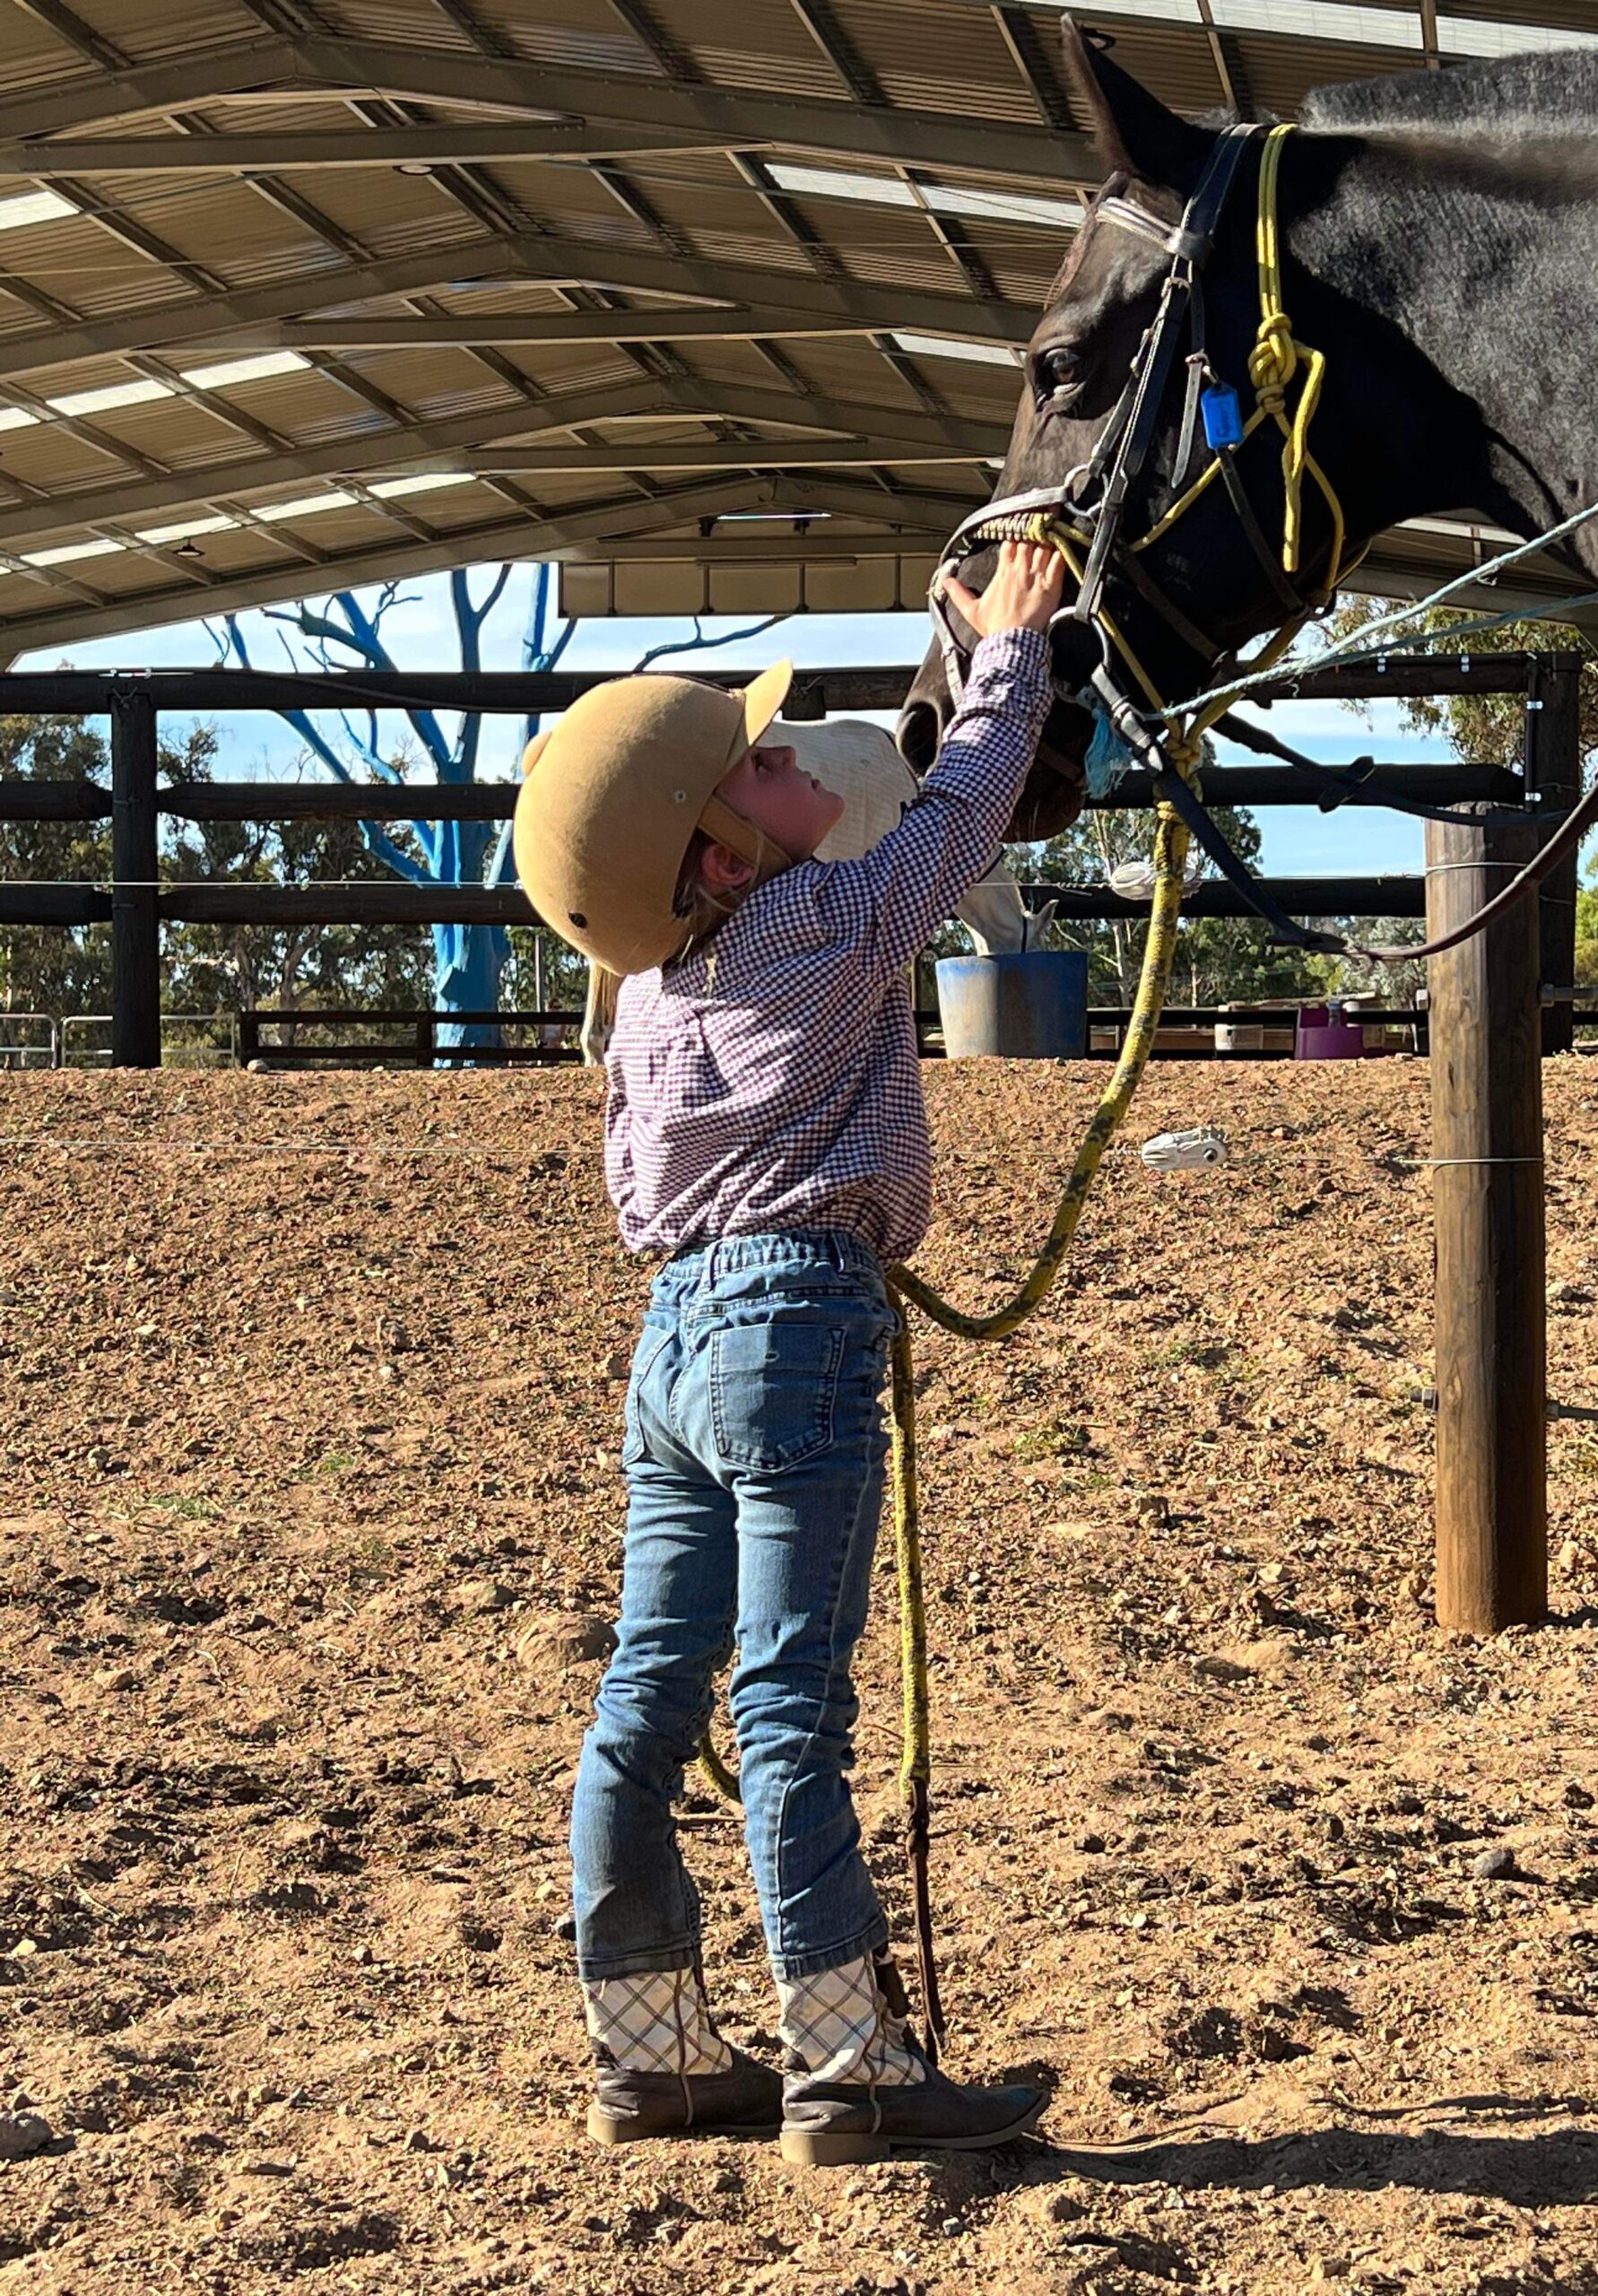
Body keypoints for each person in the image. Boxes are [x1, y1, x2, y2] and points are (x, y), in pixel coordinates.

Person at [514, 543, 1063, 2167]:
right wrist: (1016, 652)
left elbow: (634, 1184)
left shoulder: (648, 1002)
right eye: (755, 764)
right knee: (789, 1711)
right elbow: (959, 818)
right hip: (797, 1319)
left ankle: (653, 2049)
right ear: (722, 853)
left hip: (676, 1329)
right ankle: (851, 2067)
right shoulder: (819, 917)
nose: (788, 760)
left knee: (649, 1691)